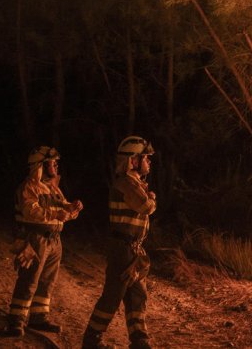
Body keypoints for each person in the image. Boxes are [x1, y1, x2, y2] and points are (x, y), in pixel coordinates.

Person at [82, 135, 157, 349]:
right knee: (113, 295)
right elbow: (145, 206)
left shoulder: (134, 183)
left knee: (137, 295)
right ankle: (91, 339)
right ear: (133, 160)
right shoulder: (125, 183)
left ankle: (139, 340)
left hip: (133, 249)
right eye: (145, 158)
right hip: (122, 249)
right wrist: (151, 197)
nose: (149, 162)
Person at [5, 145, 82, 337]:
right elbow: (32, 211)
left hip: (54, 240)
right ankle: (16, 320)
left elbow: (63, 210)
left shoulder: (53, 188)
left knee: (47, 281)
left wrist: (73, 208)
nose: (56, 165)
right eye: (52, 162)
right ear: (40, 165)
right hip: (34, 239)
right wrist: (58, 213)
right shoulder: (28, 187)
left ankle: (39, 318)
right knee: (29, 279)